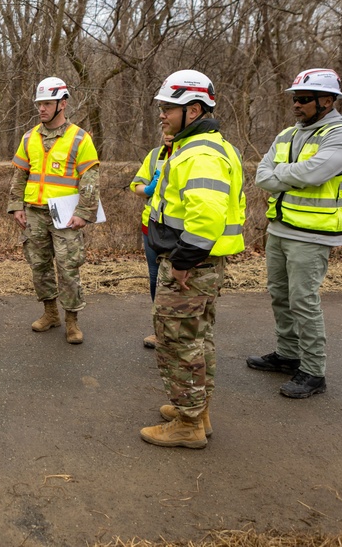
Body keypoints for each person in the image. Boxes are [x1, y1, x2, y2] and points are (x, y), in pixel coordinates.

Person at [139, 70, 246, 449]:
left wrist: (183, 262)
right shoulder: (208, 147)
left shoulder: (201, 155)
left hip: (191, 264)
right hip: (201, 264)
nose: (162, 114)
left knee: (177, 341)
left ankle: (188, 424)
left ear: (194, 110)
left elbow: (206, 217)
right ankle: (198, 410)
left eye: (169, 108)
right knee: (198, 338)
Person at [247, 68, 342, 399]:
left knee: (303, 300)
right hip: (280, 228)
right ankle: (288, 354)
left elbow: (314, 173)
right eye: (295, 98)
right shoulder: (287, 134)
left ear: (327, 101)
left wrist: (282, 173)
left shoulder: (341, 135)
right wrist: (291, 175)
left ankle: (313, 371)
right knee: (280, 295)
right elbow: (262, 175)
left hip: (313, 234)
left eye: (305, 99)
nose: (297, 104)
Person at [7, 76, 100, 344]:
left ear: (63, 104)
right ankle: (50, 313)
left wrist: (84, 212)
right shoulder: (29, 137)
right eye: (39, 104)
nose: (41, 108)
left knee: (68, 267)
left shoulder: (80, 138)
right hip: (34, 213)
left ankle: (72, 321)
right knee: (39, 265)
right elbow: (20, 174)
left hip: (66, 216)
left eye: (47, 103)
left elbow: (90, 178)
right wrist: (16, 206)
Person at [130, 134, 174, 349]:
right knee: (155, 278)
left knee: (175, 280)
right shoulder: (156, 154)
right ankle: (160, 330)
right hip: (152, 228)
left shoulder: (193, 154)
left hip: (179, 230)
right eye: (164, 128)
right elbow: (137, 185)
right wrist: (147, 189)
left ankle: (177, 332)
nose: (167, 134)